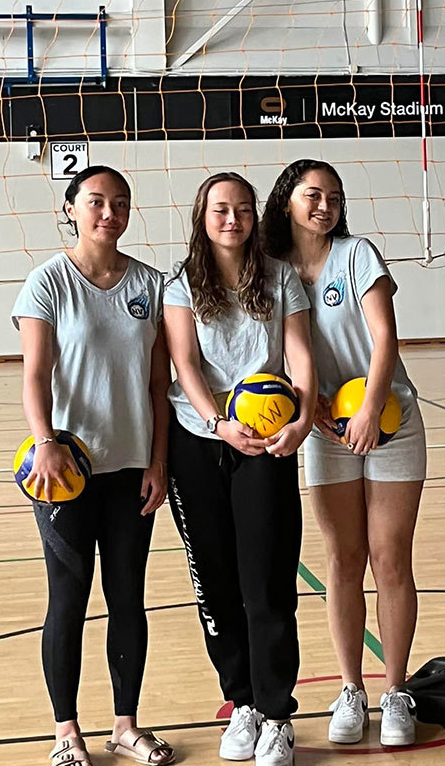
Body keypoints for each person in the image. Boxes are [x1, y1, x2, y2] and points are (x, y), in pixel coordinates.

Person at [12, 166, 175, 766]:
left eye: (121, 202)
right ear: (72, 208)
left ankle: (125, 727)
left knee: (128, 596)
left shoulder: (152, 285)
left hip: (132, 469)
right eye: (96, 202)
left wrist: (158, 460)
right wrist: (45, 440)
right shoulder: (46, 283)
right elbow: (33, 374)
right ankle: (66, 733)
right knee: (69, 597)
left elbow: (160, 382)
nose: (110, 212)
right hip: (65, 471)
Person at [261, 159, 426, 747]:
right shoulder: (271, 271)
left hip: (389, 421)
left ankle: (396, 691)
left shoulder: (358, 255)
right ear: (287, 201)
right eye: (312, 194)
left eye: (334, 196)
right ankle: (352, 689)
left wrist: (368, 408)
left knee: (390, 558)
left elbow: (385, 336)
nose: (324, 205)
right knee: (342, 558)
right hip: (324, 429)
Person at [163, 172, 316, 766]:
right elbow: (186, 366)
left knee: (268, 582)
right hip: (201, 442)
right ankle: (242, 703)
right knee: (217, 582)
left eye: (244, 209)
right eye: (221, 209)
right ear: (203, 217)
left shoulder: (278, 277)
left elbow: (299, 352)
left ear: (255, 217)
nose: (233, 219)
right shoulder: (181, 284)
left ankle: (277, 714)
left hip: (269, 441)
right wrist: (218, 422)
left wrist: (300, 418)